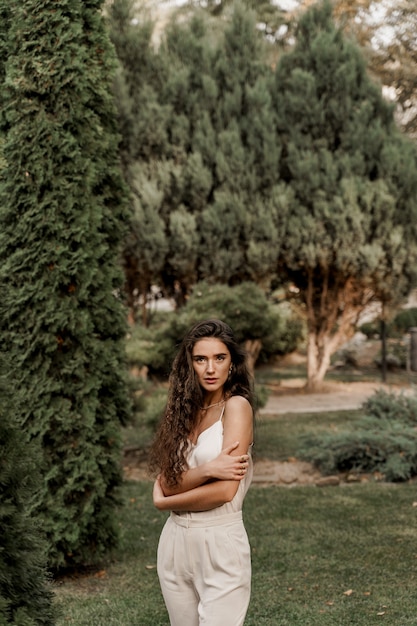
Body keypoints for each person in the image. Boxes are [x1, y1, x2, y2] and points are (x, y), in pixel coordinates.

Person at [149, 318, 254, 626]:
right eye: (201, 359)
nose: (210, 368)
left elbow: (224, 492)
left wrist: (165, 502)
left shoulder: (236, 407)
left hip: (219, 541)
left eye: (219, 358)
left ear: (231, 363)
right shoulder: (182, 411)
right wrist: (209, 468)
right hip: (174, 545)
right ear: (189, 364)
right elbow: (168, 481)